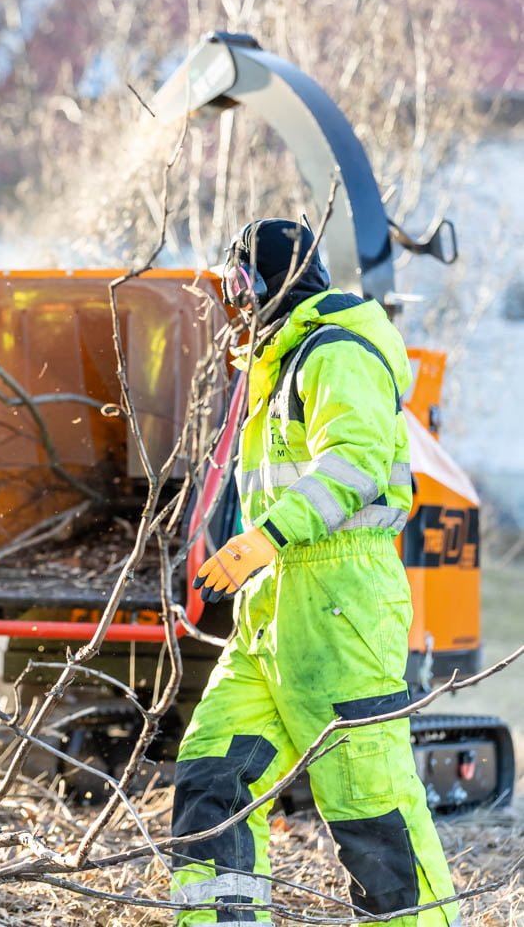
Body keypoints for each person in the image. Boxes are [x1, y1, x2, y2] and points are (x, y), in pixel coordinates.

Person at [170, 218, 460, 926]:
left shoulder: (334, 352)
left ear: (269, 283)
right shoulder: (283, 361)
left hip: (339, 607)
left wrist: (267, 537)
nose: (235, 305)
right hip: (272, 618)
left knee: (369, 805)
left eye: (240, 286)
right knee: (212, 773)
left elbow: (355, 462)